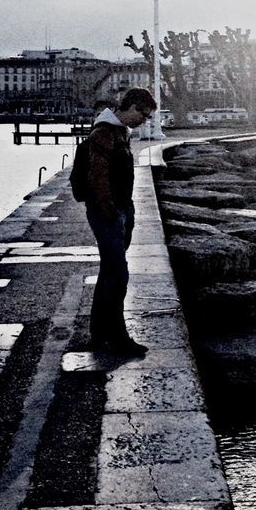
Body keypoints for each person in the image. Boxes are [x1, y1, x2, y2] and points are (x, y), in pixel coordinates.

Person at [85, 86, 158, 356]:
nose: (145, 121)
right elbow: (98, 179)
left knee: (109, 271)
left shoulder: (118, 132)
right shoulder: (104, 132)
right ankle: (117, 335)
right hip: (108, 213)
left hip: (119, 211)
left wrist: (129, 210)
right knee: (119, 273)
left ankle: (99, 333)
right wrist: (112, 213)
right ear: (131, 107)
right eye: (144, 114)